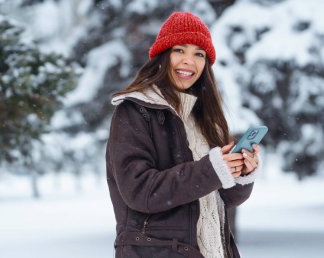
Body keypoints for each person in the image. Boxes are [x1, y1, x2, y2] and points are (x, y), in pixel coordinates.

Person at [106, 11, 260, 258]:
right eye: (180, 50)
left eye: (199, 54)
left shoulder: (205, 118)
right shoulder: (134, 111)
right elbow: (139, 191)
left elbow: (224, 199)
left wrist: (239, 172)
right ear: (162, 56)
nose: (189, 61)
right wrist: (211, 169)